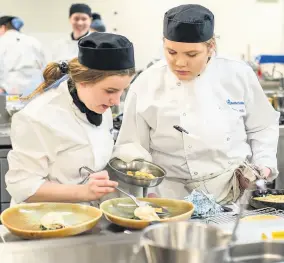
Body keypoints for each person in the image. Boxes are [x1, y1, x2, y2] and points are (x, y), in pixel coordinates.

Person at [113, 4, 280, 204]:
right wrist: (141, 182)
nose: (180, 63)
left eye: (191, 54)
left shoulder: (238, 74)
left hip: (231, 193)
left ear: (211, 47)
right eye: (171, 52)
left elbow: (263, 126)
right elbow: (132, 144)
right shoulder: (146, 83)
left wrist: (264, 164)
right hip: (169, 198)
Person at [5, 32, 135, 206]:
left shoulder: (99, 106)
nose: (116, 101)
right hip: (44, 221)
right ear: (83, 82)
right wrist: (84, 192)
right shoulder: (37, 117)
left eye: (123, 91)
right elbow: (22, 186)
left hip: (86, 216)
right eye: (110, 91)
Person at [0, 15, 46, 95]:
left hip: (8, 93)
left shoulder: (2, 41)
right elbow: (44, 68)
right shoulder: (34, 41)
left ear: (3, 27)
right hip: (34, 93)